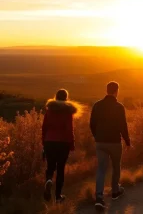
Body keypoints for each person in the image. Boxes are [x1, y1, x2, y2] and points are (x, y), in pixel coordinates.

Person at [90, 81, 131, 210]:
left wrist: (97, 137)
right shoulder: (119, 107)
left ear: (106, 90)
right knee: (116, 167)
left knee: (101, 169)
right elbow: (123, 126)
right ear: (116, 91)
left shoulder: (97, 105)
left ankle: (99, 197)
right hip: (114, 142)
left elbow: (92, 123)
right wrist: (127, 141)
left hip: (100, 142)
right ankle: (115, 191)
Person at [42, 89, 81, 203]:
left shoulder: (49, 111)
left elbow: (44, 128)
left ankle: (49, 180)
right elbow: (69, 130)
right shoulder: (67, 112)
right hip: (63, 143)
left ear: (55, 97)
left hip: (49, 141)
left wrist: (44, 143)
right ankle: (58, 196)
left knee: (50, 166)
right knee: (60, 169)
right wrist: (72, 144)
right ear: (66, 98)